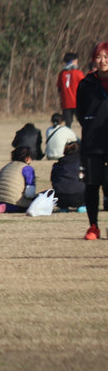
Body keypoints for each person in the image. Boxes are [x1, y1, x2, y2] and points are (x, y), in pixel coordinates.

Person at [76, 41, 108, 239]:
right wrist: (91, 124)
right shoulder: (86, 84)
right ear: (93, 60)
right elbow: (80, 112)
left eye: (106, 57)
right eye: (99, 57)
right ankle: (93, 226)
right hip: (92, 142)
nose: (102, 61)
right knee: (92, 185)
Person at [0, 146, 36, 213]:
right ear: (27, 158)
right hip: (15, 204)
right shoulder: (27, 168)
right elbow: (30, 194)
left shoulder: (6, 167)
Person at [50, 141, 85, 211]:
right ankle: (82, 207)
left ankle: (63, 208)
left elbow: (53, 179)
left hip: (60, 197)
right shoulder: (82, 162)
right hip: (79, 197)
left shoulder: (58, 163)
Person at [58, 51, 84, 128]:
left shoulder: (61, 74)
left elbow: (59, 89)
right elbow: (84, 86)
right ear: (73, 61)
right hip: (77, 102)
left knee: (68, 124)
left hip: (66, 103)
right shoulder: (78, 73)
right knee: (83, 122)